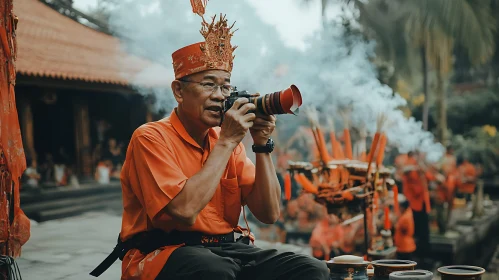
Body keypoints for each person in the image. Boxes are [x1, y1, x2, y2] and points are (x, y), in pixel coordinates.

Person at [91, 5, 329, 280]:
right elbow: (184, 212)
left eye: (226, 86)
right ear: (178, 91)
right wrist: (227, 141)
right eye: (208, 85)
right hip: (165, 251)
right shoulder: (151, 137)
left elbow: (269, 213)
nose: (220, 95)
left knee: (311, 269)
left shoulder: (230, 142)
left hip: (227, 249)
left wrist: (262, 145)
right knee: (215, 270)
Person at [401, 151, 431, 265]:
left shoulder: (421, 166)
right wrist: (416, 167)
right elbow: (404, 171)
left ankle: (423, 257)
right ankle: (416, 257)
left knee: (424, 232)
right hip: (414, 203)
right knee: (416, 231)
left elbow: (429, 176)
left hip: (423, 203)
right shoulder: (410, 164)